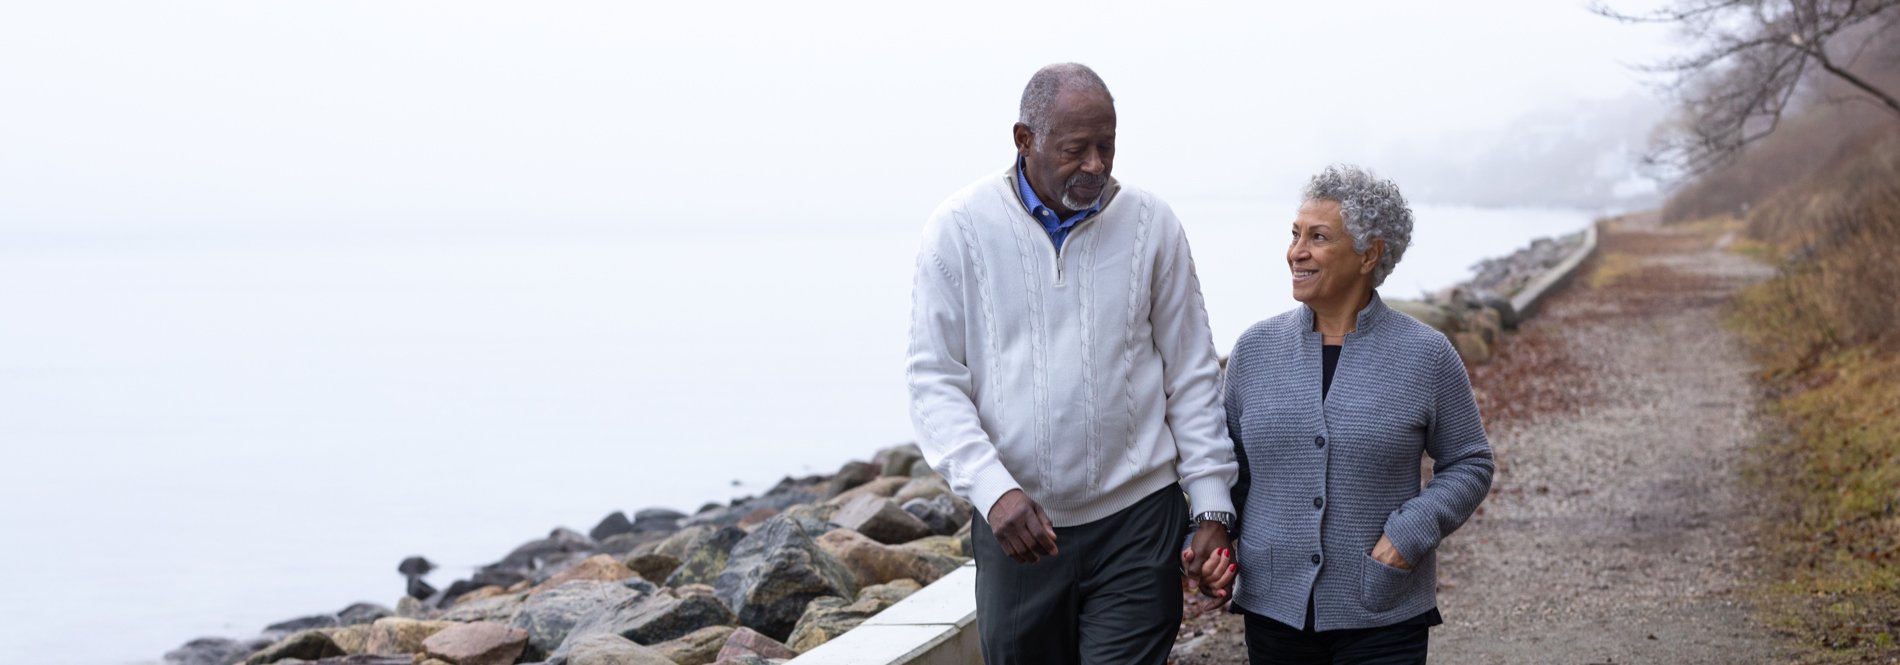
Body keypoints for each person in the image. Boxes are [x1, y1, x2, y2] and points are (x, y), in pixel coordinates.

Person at [906, 62, 1238, 665]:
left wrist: (1212, 505)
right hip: (1018, 530)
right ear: (1023, 140)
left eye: (1106, 146)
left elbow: (1191, 374)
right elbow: (933, 381)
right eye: (1075, 149)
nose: (1096, 165)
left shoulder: (1151, 225)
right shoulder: (958, 230)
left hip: (1138, 522)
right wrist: (993, 490)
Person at [1224, 165, 1494, 664]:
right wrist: (1212, 536)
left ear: (1369, 254)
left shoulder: (1426, 355)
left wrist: (1407, 536)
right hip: (1273, 605)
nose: (1295, 252)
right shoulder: (1254, 350)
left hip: (1381, 610)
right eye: (1295, 234)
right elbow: (1229, 468)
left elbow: (1471, 463)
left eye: (1318, 237)